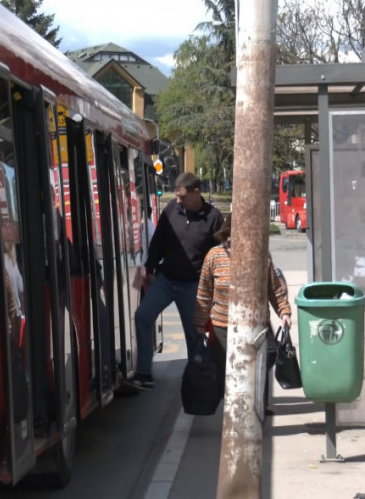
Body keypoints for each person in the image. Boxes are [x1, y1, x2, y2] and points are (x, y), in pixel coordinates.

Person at [124, 173, 223, 390]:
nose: (178, 200)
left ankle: (195, 380)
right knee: (143, 316)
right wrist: (149, 268)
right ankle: (144, 373)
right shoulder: (171, 210)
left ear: (196, 192)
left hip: (193, 286)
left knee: (193, 334)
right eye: (176, 196)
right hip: (167, 279)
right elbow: (158, 239)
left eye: (182, 196)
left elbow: (219, 253)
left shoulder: (214, 217)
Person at [193, 214, 292, 412]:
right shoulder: (214, 256)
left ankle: (257, 405)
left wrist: (284, 311)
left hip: (256, 324)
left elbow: (273, 289)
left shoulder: (260, 256)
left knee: (262, 362)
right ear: (228, 232)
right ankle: (235, 410)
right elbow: (204, 292)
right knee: (227, 372)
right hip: (223, 326)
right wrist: (200, 320)